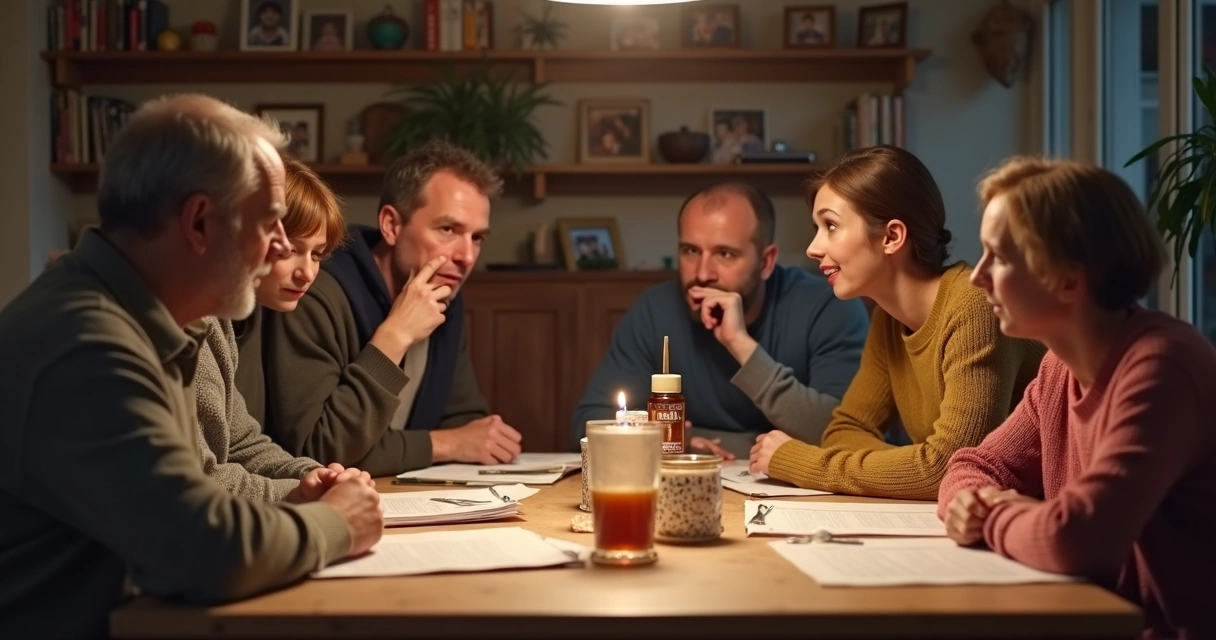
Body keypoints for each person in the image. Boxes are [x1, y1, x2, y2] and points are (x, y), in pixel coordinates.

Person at [0, 94, 382, 638]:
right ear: (200, 223)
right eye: (269, 223)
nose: (279, 248)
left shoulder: (159, 320)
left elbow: (212, 479)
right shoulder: (89, 346)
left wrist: (302, 489)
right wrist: (337, 523)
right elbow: (204, 552)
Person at [939, 157, 1216, 639]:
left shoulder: (1162, 365)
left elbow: (1077, 540)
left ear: (1068, 279)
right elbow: (974, 464)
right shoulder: (1058, 368)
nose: (976, 276)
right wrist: (971, 503)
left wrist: (993, 518)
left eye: (998, 257)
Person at [749, 145, 1045, 499]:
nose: (813, 248)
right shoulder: (889, 319)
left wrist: (797, 461)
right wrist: (912, 467)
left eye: (831, 226)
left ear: (891, 237)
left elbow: (950, 468)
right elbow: (845, 429)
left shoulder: (973, 306)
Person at [257, 140, 522, 477]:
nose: (466, 256)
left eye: (477, 238)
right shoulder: (310, 288)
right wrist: (395, 337)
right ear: (391, 225)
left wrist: (469, 441)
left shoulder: (444, 298)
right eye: (447, 229)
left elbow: (466, 425)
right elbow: (318, 451)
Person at [571, 182, 868, 459]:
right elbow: (590, 424)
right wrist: (680, 441)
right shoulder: (654, 309)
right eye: (690, 251)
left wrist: (740, 344)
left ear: (766, 262)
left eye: (725, 254)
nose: (702, 273)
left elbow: (845, 437)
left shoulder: (829, 306)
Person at [196, 156, 361, 502]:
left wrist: (316, 476)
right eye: (290, 250)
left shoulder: (220, 317)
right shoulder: (192, 318)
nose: (307, 273)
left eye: (316, 255)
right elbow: (199, 482)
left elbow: (241, 443)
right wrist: (298, 492)